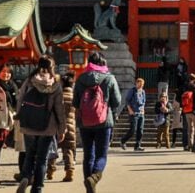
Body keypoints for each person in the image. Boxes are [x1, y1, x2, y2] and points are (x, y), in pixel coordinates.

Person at [16, 56, 66, 193]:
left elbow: (20, 99)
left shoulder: (30, 80)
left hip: (29, 124)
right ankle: (37, 187)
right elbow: (59, 109)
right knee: (42, 159)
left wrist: (19, 116)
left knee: (29, 155)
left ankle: (26, 177)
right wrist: (62, 129)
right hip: (47, 127)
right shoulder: (55, 85)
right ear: (52, 67)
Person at [73, 52, 121, 193]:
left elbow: (75, 102)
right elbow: (117, 101)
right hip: (104, 121)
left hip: (85, 122)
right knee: (101, 155)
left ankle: (90, 187)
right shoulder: (109, 78)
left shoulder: (81, 78)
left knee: (88, 154)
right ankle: (94, 177)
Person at [57, 72, 77, 182]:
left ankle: (51, 170)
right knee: (68, 149)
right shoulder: (74, 97)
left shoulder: (59, 96)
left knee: (53, 148)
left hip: (57, 125)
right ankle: (69, 170)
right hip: (71, 126)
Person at [119, 77, 146, 151]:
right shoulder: (132, 91)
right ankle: (123, 141)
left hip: (141, 113)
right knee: (133, 130)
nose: (140, 86)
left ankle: (137, 145)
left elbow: (143, 102)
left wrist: (143, 109)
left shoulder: (143, 92)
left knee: (140, 130)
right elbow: (127, 101)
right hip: (133, 113)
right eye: (139, 84)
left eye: (142, 85)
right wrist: (130, 110)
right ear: (136, 84)